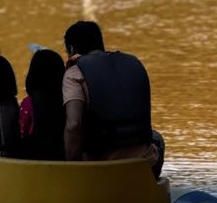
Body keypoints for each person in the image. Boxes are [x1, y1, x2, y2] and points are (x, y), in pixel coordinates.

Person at [62, 21, 164, 177]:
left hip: (101, 167)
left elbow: (73, 125)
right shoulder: (133, 63)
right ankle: (149, 189)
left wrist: (70, 166)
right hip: (142, 164)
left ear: (71, 49)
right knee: (157, 138)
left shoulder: (74, 73)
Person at [18, 48, 67, 160]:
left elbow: (22, 133)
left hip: (36, 162)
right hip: (63, 158)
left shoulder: (28, 103)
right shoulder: (70, 101)